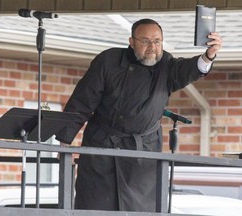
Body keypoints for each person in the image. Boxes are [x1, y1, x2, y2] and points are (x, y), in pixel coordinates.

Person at [55, 18, 222, 212]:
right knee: (96, 207)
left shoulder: (166, 65)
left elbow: (188, 69)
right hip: (102, 150)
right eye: (145, 41)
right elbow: (82, 102)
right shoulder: (108, 61)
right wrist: (64, 143)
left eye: (157, 41)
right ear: (131, 41)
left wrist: (209, 55)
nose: (152, 47)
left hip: (143, 155)